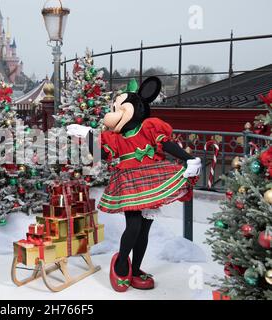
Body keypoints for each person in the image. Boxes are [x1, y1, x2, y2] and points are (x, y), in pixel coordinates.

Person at [67, 77, 201, 292]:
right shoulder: (115, 137)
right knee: (134, 225)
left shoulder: (149, 127)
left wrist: (187, 158)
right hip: (129, 181)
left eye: (120, 108)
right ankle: (121, 261)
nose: (114, 113)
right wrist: (90, 136)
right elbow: (101, 155)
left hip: (151, 179)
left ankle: (136, 268)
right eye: (114, 109)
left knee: (144, 228)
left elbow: (166, 144)